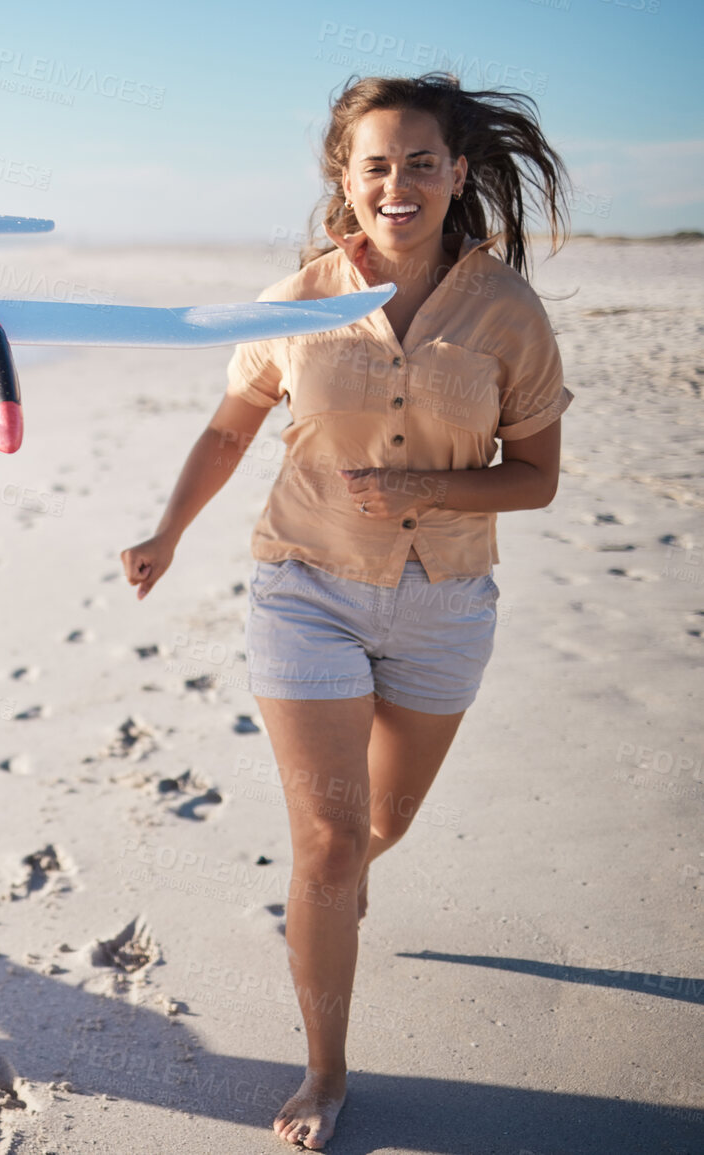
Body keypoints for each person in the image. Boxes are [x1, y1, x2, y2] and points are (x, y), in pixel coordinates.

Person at [121, 74, 570, 1150]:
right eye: (376, 165)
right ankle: (325, 1070)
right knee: (327, 840)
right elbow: (231, 432)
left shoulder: (507, 310)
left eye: (421, 163)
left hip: (446, 601)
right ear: (346, 178)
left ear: (458, 174)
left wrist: (430, 493)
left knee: (383, 827)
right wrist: (169, 530)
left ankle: (348, 884)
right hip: (305, 588)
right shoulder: (300, 302)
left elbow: (538, 475)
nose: (399, 184)